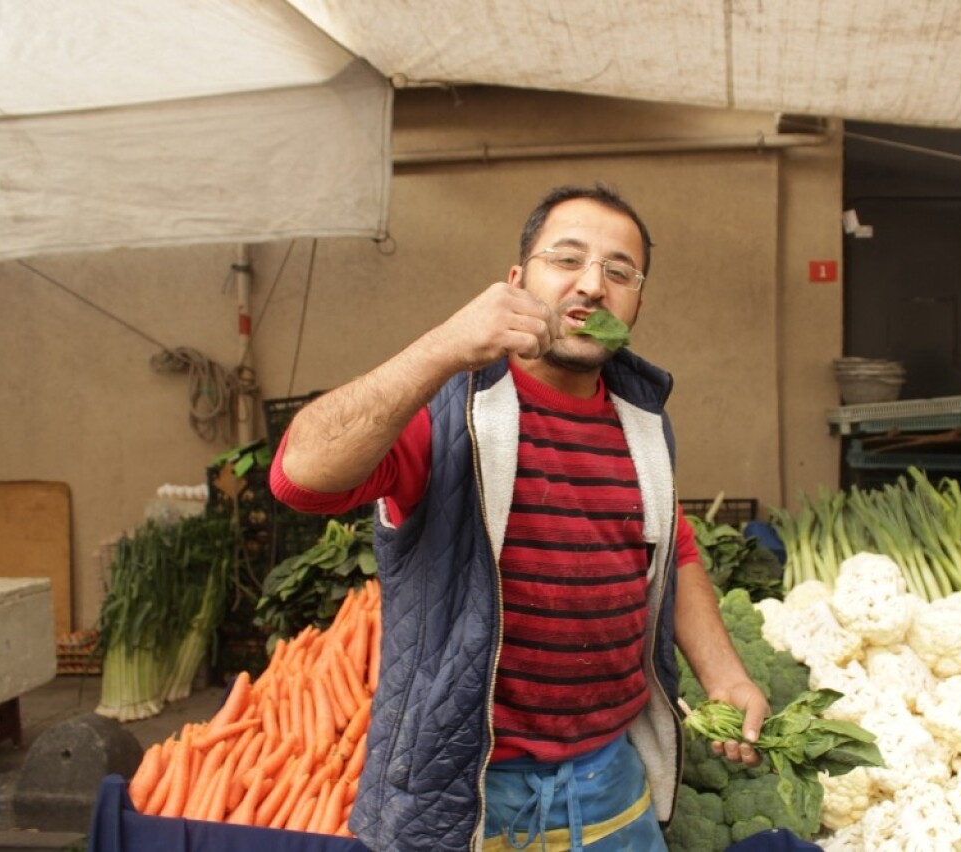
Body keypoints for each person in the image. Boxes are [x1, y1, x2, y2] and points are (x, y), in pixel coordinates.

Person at [271, 183, 769, 851]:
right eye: (566, 260)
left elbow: (671, 548)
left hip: (612, 782)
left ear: (637, 303)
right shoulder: (450, 415)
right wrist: (445, 345)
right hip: (466, 787)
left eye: (619, 272)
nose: (593, 286)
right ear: (516, 282)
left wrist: (726, 676)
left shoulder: (642, 424)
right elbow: (299, 476)